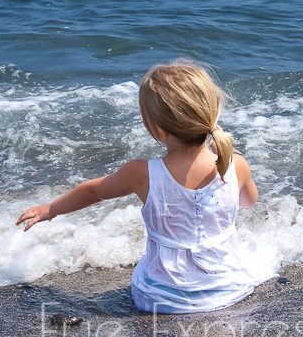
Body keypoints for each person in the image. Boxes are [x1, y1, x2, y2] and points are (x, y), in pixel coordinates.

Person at [17, 60, 273, 313]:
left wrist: (50, 208)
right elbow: (249, 201)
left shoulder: (143, 172)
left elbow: (93, 191)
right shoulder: (235, 165)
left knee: (146, 275)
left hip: (161, 298)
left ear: (159, 131)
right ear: (212, 115)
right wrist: (224, 154)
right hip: (228, 289)